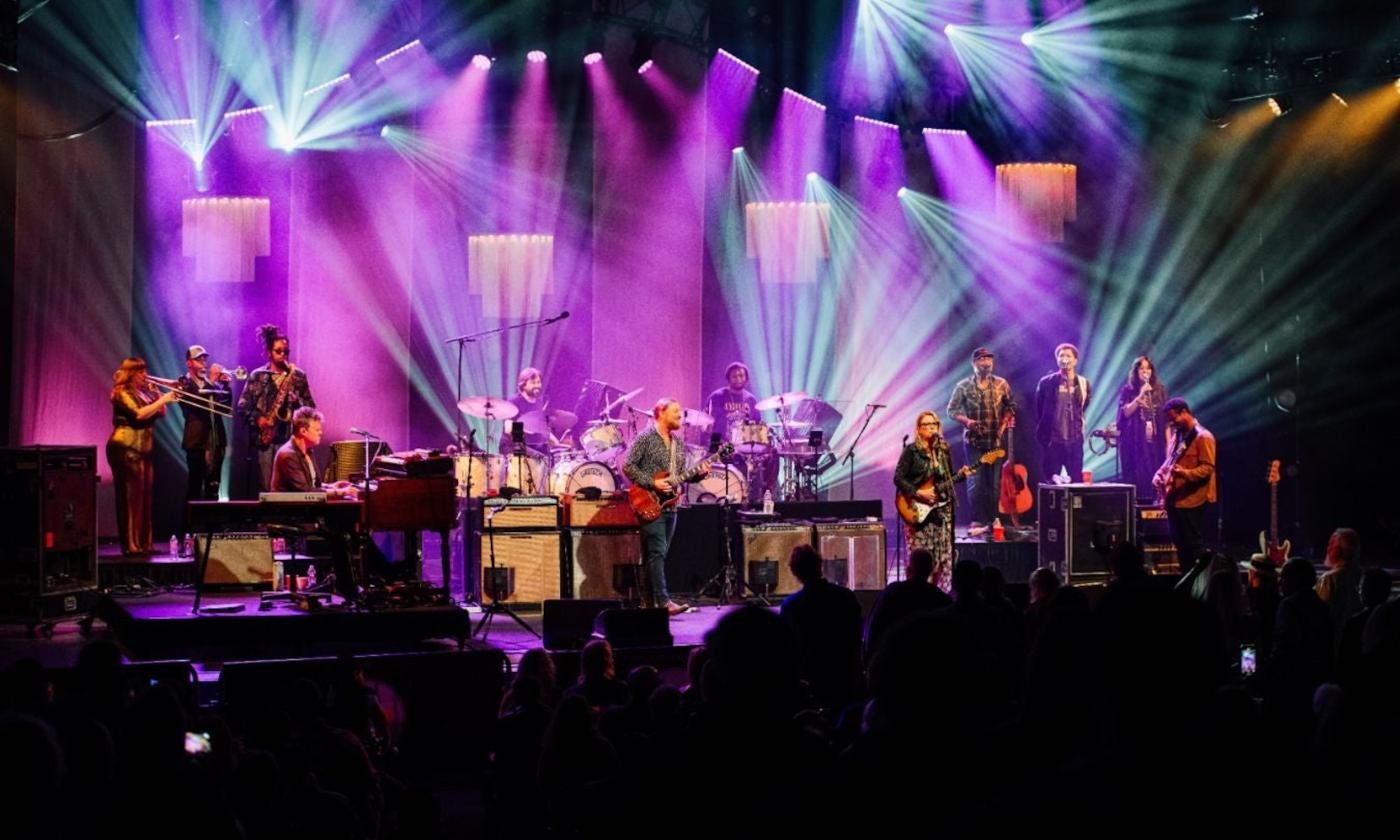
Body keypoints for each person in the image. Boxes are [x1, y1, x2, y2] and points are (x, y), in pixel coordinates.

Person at [621, 398, 708, 616]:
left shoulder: (678, 443)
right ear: (660, 411)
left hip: (670, 506)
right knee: (657, 553)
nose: (681, 416)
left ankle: (648, 604)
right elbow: (628, 466)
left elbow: (679, 477)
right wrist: (653, 483)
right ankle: (663, 602)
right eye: (676, 411)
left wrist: (697, 475)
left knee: (656, 555)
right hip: (648, 501)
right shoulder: (646, 438)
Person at [271, 407, 360, 598]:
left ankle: (353, 582)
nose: (321, 433)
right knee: (340, 533)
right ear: (303, 431)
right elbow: (305, 492)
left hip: (308, 510)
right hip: (294, 514)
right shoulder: (288, 455)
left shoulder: (307, 452)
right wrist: (339, 492)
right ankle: (348, 587)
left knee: (351, 525)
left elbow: (314, 485)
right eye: (317, 430)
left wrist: (331, 486)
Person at [106, 358, 178, 554]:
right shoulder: (122, 393)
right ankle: (130, 545)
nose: (145, 376)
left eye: (145, 371)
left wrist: (157, 394)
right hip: (126, 447)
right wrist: (164, 398)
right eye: (140, 372)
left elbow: (160, 413)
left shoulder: (143, 392)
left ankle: (144, 543)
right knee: (130, 498)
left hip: (144, 450)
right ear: (131, 374)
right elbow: (138, 415)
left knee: (144, 497)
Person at [893, 410, 972, 591]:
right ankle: (917, 593)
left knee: (943, 557)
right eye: (926, 425)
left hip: (942, 511)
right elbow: (898, 478)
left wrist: (961, 476)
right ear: (919, 429)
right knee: (921, 556)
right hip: (918, 511)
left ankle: (941, 594)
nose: (931, 428)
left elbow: (948, 481)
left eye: (934, 424)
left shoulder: (943, 450)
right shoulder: (912, 451)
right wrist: (919, 493)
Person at [238, 323, 314, 492]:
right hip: (265, 440)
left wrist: (297, 403)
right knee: (266, 487)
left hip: (289, 440)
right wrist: (258, 419)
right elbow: (242, 406)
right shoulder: (258, 375)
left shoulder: (298, 376)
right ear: (269, 353)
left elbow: (311, 408)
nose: (283, 355)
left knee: (290, 487)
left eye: (286, 352)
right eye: (278, 351)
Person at [947, 347, 1015, 531]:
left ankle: (993, 519)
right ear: (974, 363)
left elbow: (1010, 407)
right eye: (982, 359)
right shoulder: (963, 386)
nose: (986, 362)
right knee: (975, 483)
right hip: (974, 442)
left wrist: (1001, 430)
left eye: (989, 359)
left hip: (995, 442)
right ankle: (977, 519)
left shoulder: (1001, 384)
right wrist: (967, 421)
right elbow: (951, 410)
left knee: (994, 484)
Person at [1152, 397, 1216, 571]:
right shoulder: (1177, 436)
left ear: (1184, 412)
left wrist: (1185, 474)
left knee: (1193, 546)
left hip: (1193, 501)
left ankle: (1198, 586)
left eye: (1173, 419)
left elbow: (1207, 469)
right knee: (1180, 545)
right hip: (1175, 500)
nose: (1172, 423)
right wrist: (1159, 474)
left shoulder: (1204, 437)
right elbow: (1169, 462)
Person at [703, 361, 770, 502]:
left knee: (765, 461)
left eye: (741, 376)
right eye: (734, 376)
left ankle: (752, 500)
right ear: (728, 378)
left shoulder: (751, 400)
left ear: (746, 378)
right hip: (721, 447)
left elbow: (757, 426)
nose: (738, 379)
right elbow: (705, 422)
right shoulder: (716, 397)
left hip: (744, 449)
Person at [176, 345, 233, 501]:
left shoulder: (211, 385)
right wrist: (213, 382)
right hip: (196, 443)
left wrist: (226, 387)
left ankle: (212, 525)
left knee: (214, 488)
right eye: (198, 360)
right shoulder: (183, 383)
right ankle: (189, 526)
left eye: (205, 359)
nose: (204, 364)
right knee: (195, 487)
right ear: (189, 363)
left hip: (217, 441)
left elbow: (226, 410)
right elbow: (195, 405)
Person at [1034, 342, 1092, 482]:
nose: (1064, 359)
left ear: (1075, 360)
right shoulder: (1046, 382)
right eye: (1061, 356)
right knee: (1051, 481)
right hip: (1053, 441)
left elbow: (1084, 406)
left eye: (1068, 356)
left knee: (1076, 481)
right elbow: (1039, 408)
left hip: (1074, 440)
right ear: (1057, 360)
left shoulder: (1084, 383)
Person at [1115, 355, 1168, 501]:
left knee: (1154, 473)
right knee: (1137, 476)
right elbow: (1124, 413)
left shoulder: (1159, 390)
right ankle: (1135, 508)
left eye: (1148, 368)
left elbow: (1166, 420)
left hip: (1155, 442)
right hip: (1134, 443)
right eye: (1141, 369)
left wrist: (1168, 447)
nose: (1145, 372)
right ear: (1136, 372)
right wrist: (1139, 397)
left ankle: (1155, 506)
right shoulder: (1128, 390)